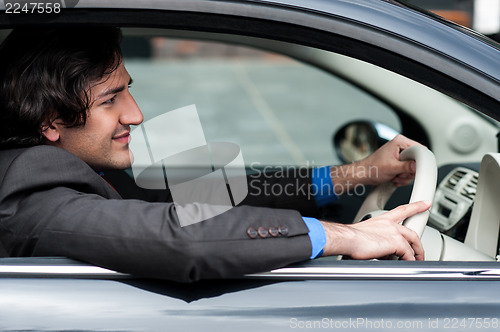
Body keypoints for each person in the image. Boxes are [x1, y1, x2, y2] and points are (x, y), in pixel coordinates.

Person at [0, 27, 430, 282]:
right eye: (111, 99)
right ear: (50, 122)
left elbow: (198, 196)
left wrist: (356, 173)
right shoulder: (30, 188)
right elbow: (179, 237)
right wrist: (342, 236)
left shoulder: (73, 168)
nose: (136, 113)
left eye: (130, 89)